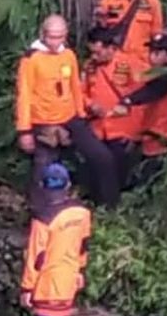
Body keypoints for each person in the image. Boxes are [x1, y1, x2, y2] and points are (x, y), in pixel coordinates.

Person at [15, 15, 120, 209]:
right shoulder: (31, 59)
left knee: (101, 156)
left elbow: (75, 88)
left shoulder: (68, 55)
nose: (55, 42)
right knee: (44, 167)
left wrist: (81, 116)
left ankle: (109, 206)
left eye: (60, 37)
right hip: (43, 119)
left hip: (71, 116)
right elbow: (24, 95)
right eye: (52, 37)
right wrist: (24, 130)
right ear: (43, 34)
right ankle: (41, 212)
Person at [20, 163, 92, 316]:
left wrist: (26, 287)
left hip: (48, 282)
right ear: (68, 186)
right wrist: (80, 270)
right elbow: (83, 245)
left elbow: (36, 256)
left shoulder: (43, 218)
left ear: (42, 187)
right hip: (69, 277)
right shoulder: (81, 213)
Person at [82, 25, 146, 180]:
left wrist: (136, 133)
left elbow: (142, 97)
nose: (94, 57)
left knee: (120, 174)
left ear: (110, 48)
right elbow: (80, 92)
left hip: (123, 131)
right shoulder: (89, 66)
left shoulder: (130, 64)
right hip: (98, 129)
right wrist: (90, 104)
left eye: (98, 52)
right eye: (92, 52)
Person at [95, 0, 165, 66]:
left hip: (141, 63)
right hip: (114, 62)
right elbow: (98, 35)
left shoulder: (152, 2)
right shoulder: (108, 1)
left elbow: (157, 34)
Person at [137, 34, 167, 158]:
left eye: (158, 52)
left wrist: (128, 100)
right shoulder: (152, 74)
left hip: (164, 141)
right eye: (151, 51)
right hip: (148, 142)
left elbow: (152, 92)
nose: (152, 56)